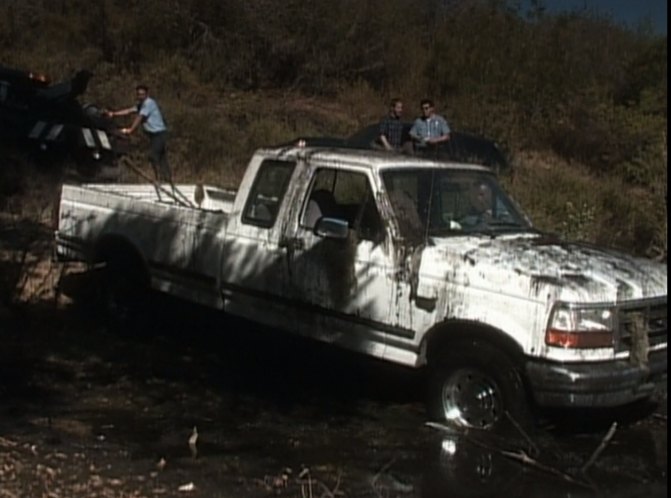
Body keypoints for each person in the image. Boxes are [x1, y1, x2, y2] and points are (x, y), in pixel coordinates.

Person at [106, 85, 171, 183]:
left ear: (147, 94)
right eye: (139, 94)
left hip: (159, 133)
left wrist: (131, 130)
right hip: (153, 135)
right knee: (161, 157)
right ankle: (167, 178)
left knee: (154, 156)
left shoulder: (149, 103)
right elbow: (129, 111)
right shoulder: (141, 105)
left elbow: (139, 117)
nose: (140, 96)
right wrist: (114, 114)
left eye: (142, 94)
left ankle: (161, 178)